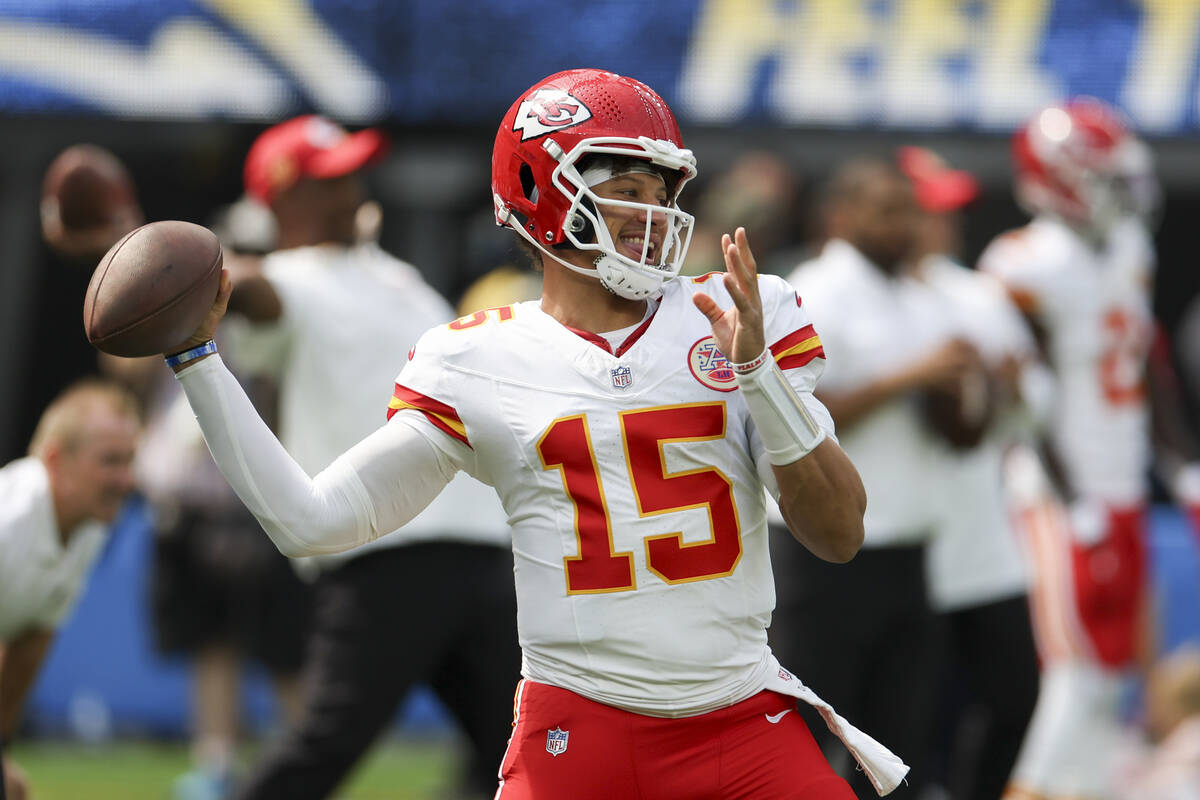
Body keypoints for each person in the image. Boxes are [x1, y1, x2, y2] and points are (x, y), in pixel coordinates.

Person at [158, 69, 907, 798]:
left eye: (660, 193)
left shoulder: (741, 314)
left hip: (742, 720)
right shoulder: (477, 357)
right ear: (544, 195)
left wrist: (759, 376)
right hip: (579, 734)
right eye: (626, 192)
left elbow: (838, 531)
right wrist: (198, 363)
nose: (654, 219)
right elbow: (310, 523)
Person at [218, 115, 519, 800]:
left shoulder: (395, 275)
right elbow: (253, 295)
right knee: (324, 747)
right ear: (282, 200)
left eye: (352, 172)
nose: (352, 186)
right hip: (386, 548)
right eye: (331, 177)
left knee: (522, 748)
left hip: (480, 540)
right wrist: (167, 262)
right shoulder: (288, 277)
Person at [976, 98, 1164, 800]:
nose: (1121, 195)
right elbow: (1026, 402)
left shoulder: (1127, 247)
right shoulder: (1024, 263)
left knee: (1110, 674)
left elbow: (1146, 359)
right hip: (1059, 492)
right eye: (1106, 179)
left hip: (1120, 478)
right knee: (1075, 671)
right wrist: (1074, 496)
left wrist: (1178, 465)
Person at [773, 157, 978, 797]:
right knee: (804, 740)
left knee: (896, 747)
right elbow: (791, 416)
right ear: (840, 215)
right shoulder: (812, 290)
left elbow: (959, 432)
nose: (905, 226)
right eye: (887, 210)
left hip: (908, 544)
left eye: (910, 211)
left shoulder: (917, 295)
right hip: (824, 553)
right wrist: (911, 375)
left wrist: (969, 387)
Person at [899, 146, 1042, 800]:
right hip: (895, 540)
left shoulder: (977, 295)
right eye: (930, 211)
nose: (943, 226)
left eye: (948, 212)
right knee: (908, 718)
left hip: (981, 536)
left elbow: (1039, 403)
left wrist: (1010, 394)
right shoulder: (849, 295)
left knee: (1015, 696)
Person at [0, 380, 141, 800]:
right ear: (57, 460)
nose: (126, 480)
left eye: (130, 461)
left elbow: (30, 644)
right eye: (110, 461)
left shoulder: (88, 525)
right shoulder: (10, 522)